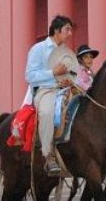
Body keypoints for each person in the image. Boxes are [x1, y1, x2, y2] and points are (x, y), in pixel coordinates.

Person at [25, 15, 74, 176]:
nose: (70, 33)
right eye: (67, 29)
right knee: (46, 112)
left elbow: (73, 73)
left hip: (66, 90)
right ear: (56, 31)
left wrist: (70, 81)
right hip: (45, 91)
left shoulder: (66, 52)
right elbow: (30, 76)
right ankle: (48, 155)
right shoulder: (38, 49)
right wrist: (53, 72)